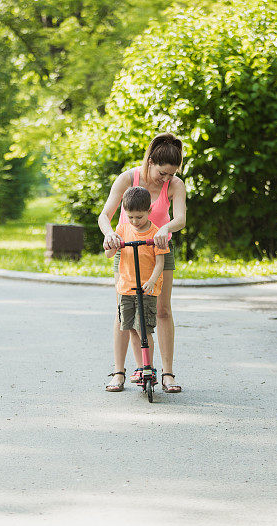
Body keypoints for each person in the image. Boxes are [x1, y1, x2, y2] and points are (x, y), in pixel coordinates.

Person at [99, 132, 186, 393]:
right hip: (127, 252)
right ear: (150, 161)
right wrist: (110, 234)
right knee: (124, 311)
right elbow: (105, 215)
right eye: (163, 173)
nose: (166, 179)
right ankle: (119, 371)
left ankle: (167, 374)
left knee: (162, 310)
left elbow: (180, 219)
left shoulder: (175, 185)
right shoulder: (128, 179)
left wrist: (166, 228)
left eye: (171, 174)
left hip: (158, 251)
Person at [104, 187, 169, 392]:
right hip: (126, 287)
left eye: (139, 217)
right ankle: (140, 367)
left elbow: (160, 262)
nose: (134, 221)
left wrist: (151, 281)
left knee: (144, 328)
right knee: (131, 327)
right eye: (130, 216)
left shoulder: (155, 233)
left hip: (146, 288)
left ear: (149, 211)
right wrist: (110, 241)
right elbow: (109, 255)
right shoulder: (123, 229)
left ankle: (148, 366)